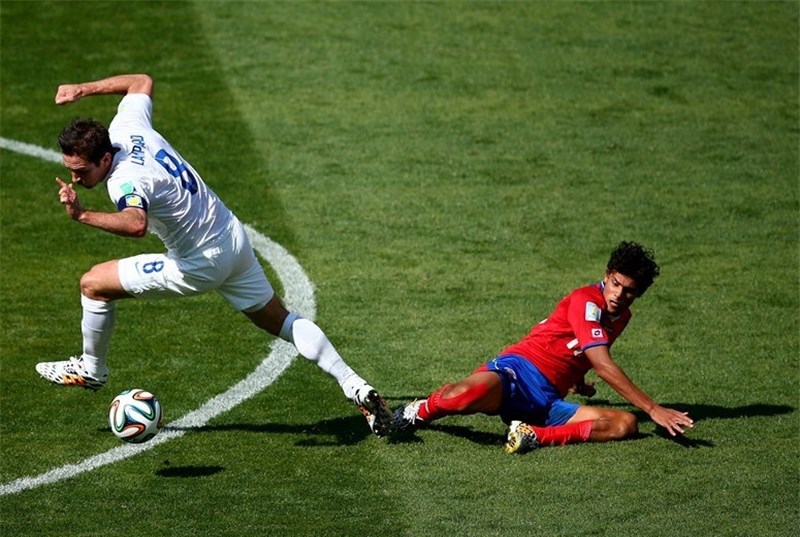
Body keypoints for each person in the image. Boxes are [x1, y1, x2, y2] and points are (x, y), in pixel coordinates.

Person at [36, 73, 393, 437]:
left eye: (81, 171)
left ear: (105, 158)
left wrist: (82, 215)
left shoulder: (124, 180)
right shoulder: (128, 127)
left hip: (199, 264)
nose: (75, 178)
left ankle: (92, 370)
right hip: (232, 238)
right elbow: (141, 82)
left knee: (93, 284)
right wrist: (84, 90)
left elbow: (135, 223)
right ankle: (355, 385)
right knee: (283, 321)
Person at [392, 241, 694, 452]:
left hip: (547, 401)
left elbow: (580, 345)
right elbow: (602, 364)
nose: (618, 295)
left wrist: (576, 379)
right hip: (516, 374)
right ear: (606, 275)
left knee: (625, 423)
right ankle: (416, 411)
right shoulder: (586, 301)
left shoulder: (621, 316)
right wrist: (653, 408)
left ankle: (532, 435)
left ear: (639, 293)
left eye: (629, 291)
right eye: (615, 283)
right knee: (461, 396)